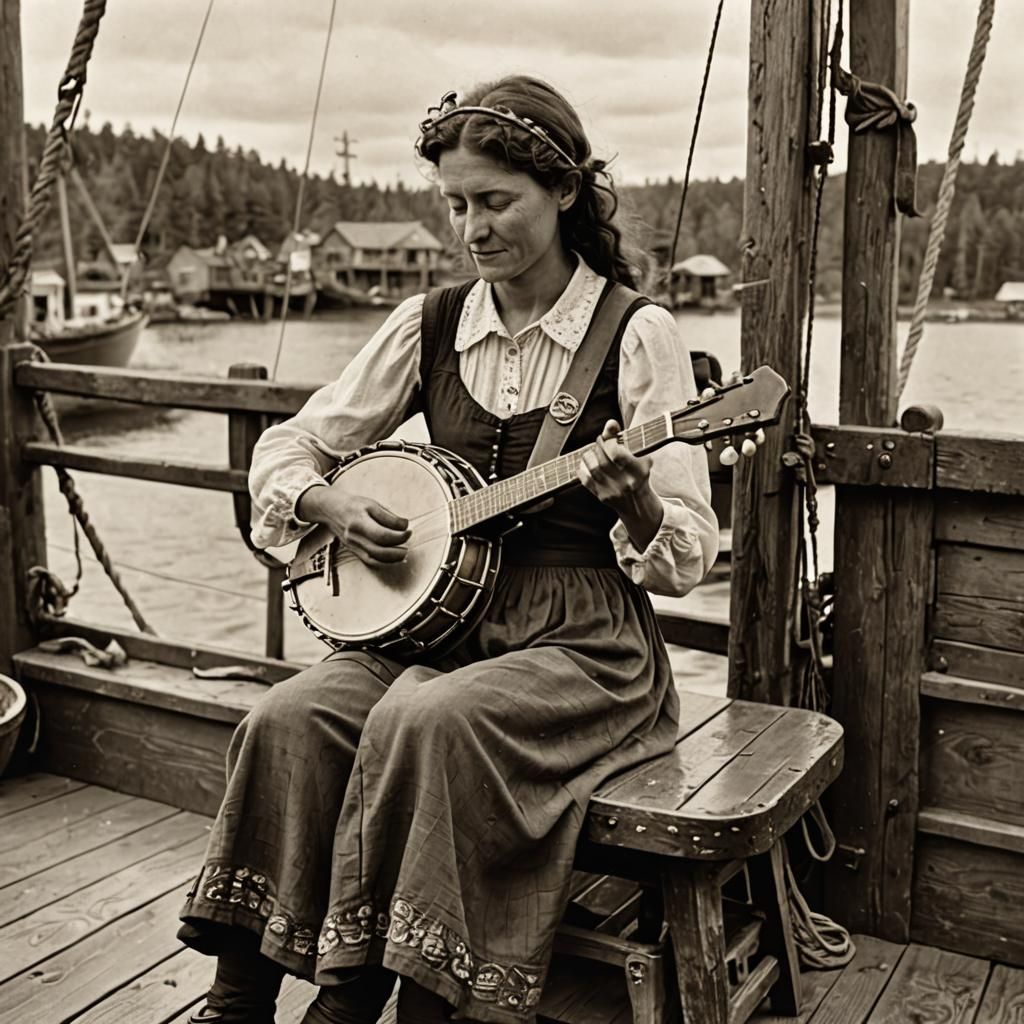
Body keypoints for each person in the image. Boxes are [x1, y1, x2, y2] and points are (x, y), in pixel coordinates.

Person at [178, 74, 719, 1024]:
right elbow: (290, 442)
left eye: (495, 201)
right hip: (441, 627)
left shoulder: (638, 333)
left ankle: (364, 998)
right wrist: (328, 502)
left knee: (428, 720)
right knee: (290, 716)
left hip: (581, 645)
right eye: (456, 203)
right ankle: (236, 997)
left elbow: (685, 555)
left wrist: (633, 507)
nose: (472, 226)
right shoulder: (430, 323)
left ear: (563, 191)